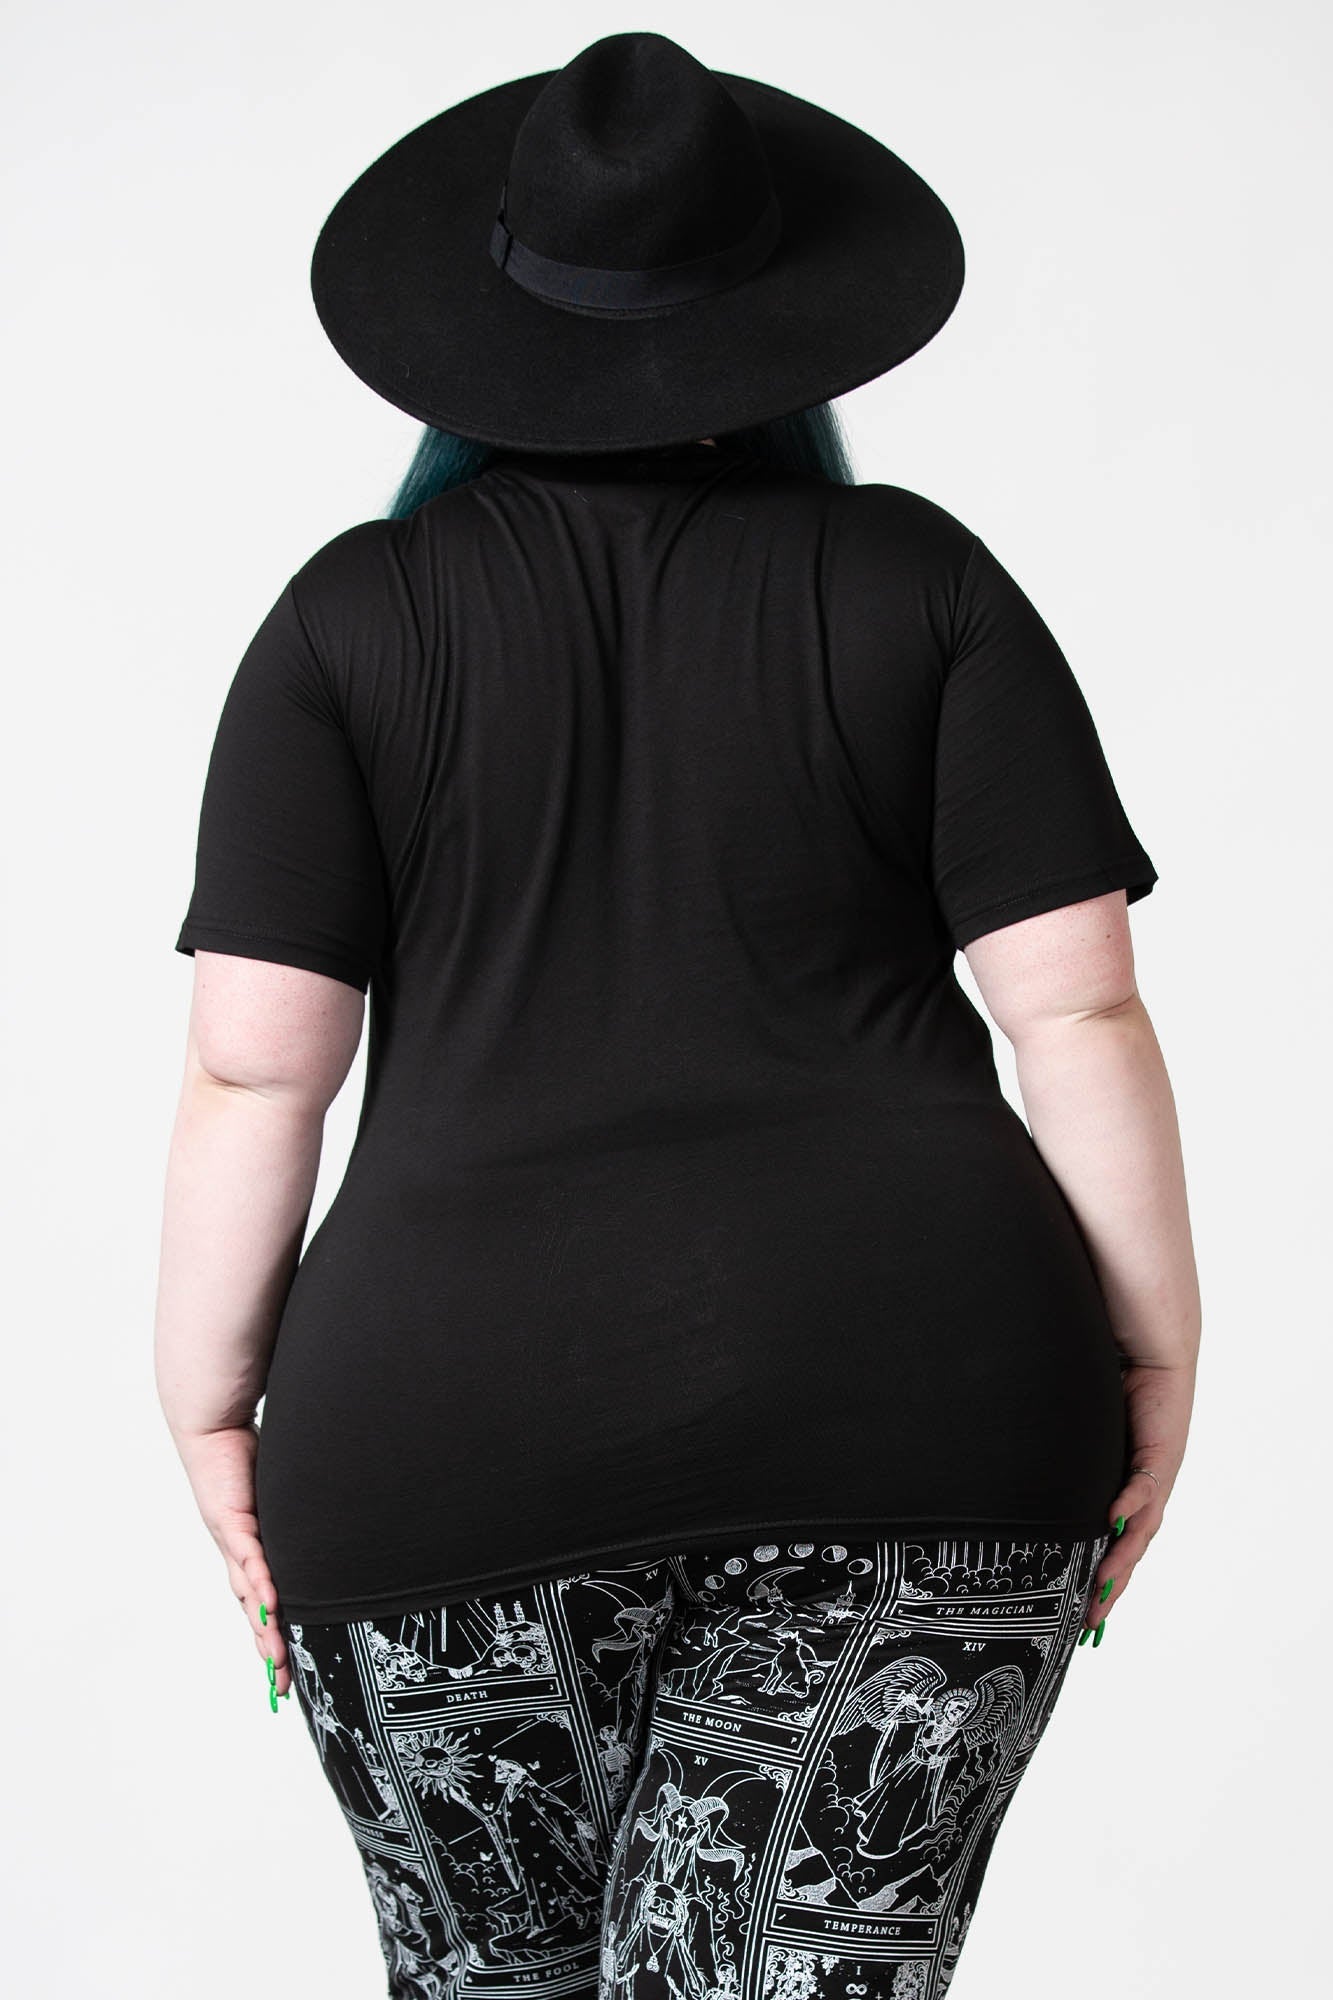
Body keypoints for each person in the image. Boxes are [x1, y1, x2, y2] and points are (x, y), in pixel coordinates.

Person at [154, 30, 1201, 2000]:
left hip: (444, 1432)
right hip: (924, 1410)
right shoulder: (923, 588)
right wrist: (1153, 1346)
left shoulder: (347, 623)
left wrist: (211, 1401)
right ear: (790, 321)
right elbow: (1077, 1015)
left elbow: (249, 1066)